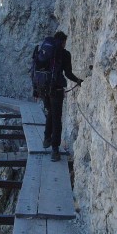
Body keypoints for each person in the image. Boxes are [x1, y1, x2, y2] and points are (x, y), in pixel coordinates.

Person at [42, 31, 83, 161]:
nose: (65, 44)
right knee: (57, 119)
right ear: (63, 41)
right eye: (65, 42)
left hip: (44, 89)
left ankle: (46, 138)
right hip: (57, 90)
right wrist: (78, 81)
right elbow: (68, 73)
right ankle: (55, 150)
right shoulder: (64, 54)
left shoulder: (46, 52)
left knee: (50, 113)